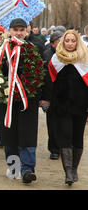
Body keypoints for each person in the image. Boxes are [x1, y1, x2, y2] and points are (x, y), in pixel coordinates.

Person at [41, 30, 88, 185]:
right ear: (62, 42)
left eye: (72, 41)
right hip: (61, 105)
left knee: (77, 138)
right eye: (67, 40)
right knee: (65, 137)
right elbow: (49, 82)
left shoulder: (85, 59)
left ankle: (74, 169)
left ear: (77, 42)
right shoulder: (56, 59)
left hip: (81, 106)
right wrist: (45, 100)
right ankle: (68, 172)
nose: (69, 43)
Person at [1, 18, 43, 184]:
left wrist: (42, 96)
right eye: (15, 30)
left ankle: (27, 170)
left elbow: (41, 72)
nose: (18, 33)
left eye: (21, 30)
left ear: (27, 31)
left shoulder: (36, 48)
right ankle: (13, 167)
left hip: (28, 99)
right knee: (10, 135)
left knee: (27, 134)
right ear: (10, 31)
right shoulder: (1, 49)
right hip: (7, 99)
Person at [42, 31, 64, 160]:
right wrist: (44, 99)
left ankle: (65, 147)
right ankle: (54, 148)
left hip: (66, 95)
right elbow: (44, 79)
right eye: (59, 42)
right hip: (52, 95)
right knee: (53, 124)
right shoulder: (47, 56)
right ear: (52, 44)